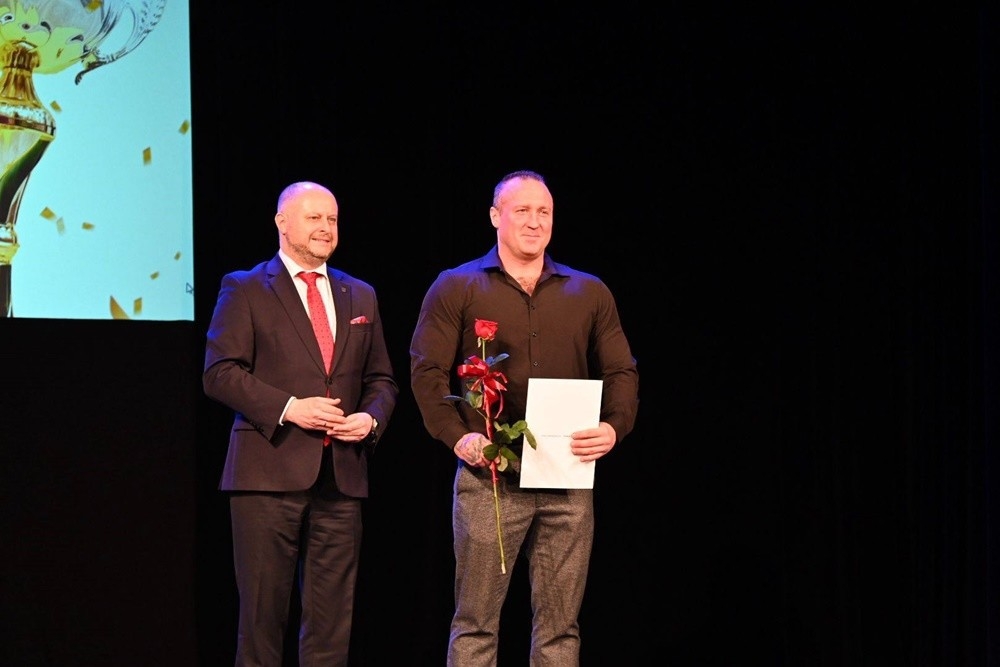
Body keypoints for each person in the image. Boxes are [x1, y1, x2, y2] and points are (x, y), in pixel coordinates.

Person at [409, 169, 640, 665]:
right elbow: (427, 373)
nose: (534, 222)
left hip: (566, 477)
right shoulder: (457, 286)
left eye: (544, 212)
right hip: (489, 478)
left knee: (560, 630)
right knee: (475, 625)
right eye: (522, 210)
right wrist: (459, 438)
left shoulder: (589, 291)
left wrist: (613, 427)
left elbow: (622, 370)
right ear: (496, 217)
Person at [203, 180, 398, 666]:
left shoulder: (361, 294)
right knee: (262, 623)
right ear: (282, 222)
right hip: (266, 475)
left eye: (332, 219)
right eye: (314, 218)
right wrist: (291, 407)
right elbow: (220, 373)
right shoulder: (246, 287)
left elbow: (381, 380)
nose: (325, 228)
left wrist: (370, 419)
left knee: (332, 628)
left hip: (342, 478)